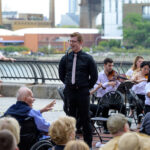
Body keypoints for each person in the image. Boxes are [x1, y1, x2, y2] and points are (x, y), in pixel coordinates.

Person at [59, 32, 98, 147]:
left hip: (82, 92)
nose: (71, 44)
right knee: (70, 119)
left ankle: (88, 145)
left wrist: (85, 86)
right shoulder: (65, 58)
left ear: (81, 42)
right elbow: (62, 75)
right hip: (70, 92)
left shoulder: (88, 58)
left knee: (85, 119)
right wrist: (70, 85)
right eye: (70, 41)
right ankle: (70, 144)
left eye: (74, 41)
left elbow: (94, 77)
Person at [92, 58, 126, 133]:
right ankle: (105, 128)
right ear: (104, 65)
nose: (111, 67)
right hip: (103, 99)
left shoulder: (114, 74)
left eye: (112, 65)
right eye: (109, 65)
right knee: (105, 107)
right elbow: (96, 88)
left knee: (123, 107)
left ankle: (122, 126)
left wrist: (117, 83)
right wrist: (107, 83)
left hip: (113, 99)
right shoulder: (99, 75)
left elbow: (117, 88)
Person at [130, 61, 150, 127]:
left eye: (148, 69)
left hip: (146, 95)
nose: (146, 71)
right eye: (145, 68)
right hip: (138, 95)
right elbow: (132, 80)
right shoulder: (137, 74)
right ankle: (139, 122)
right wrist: (138, 81)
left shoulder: (148, 76)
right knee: (139, 102)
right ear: (141, 68)